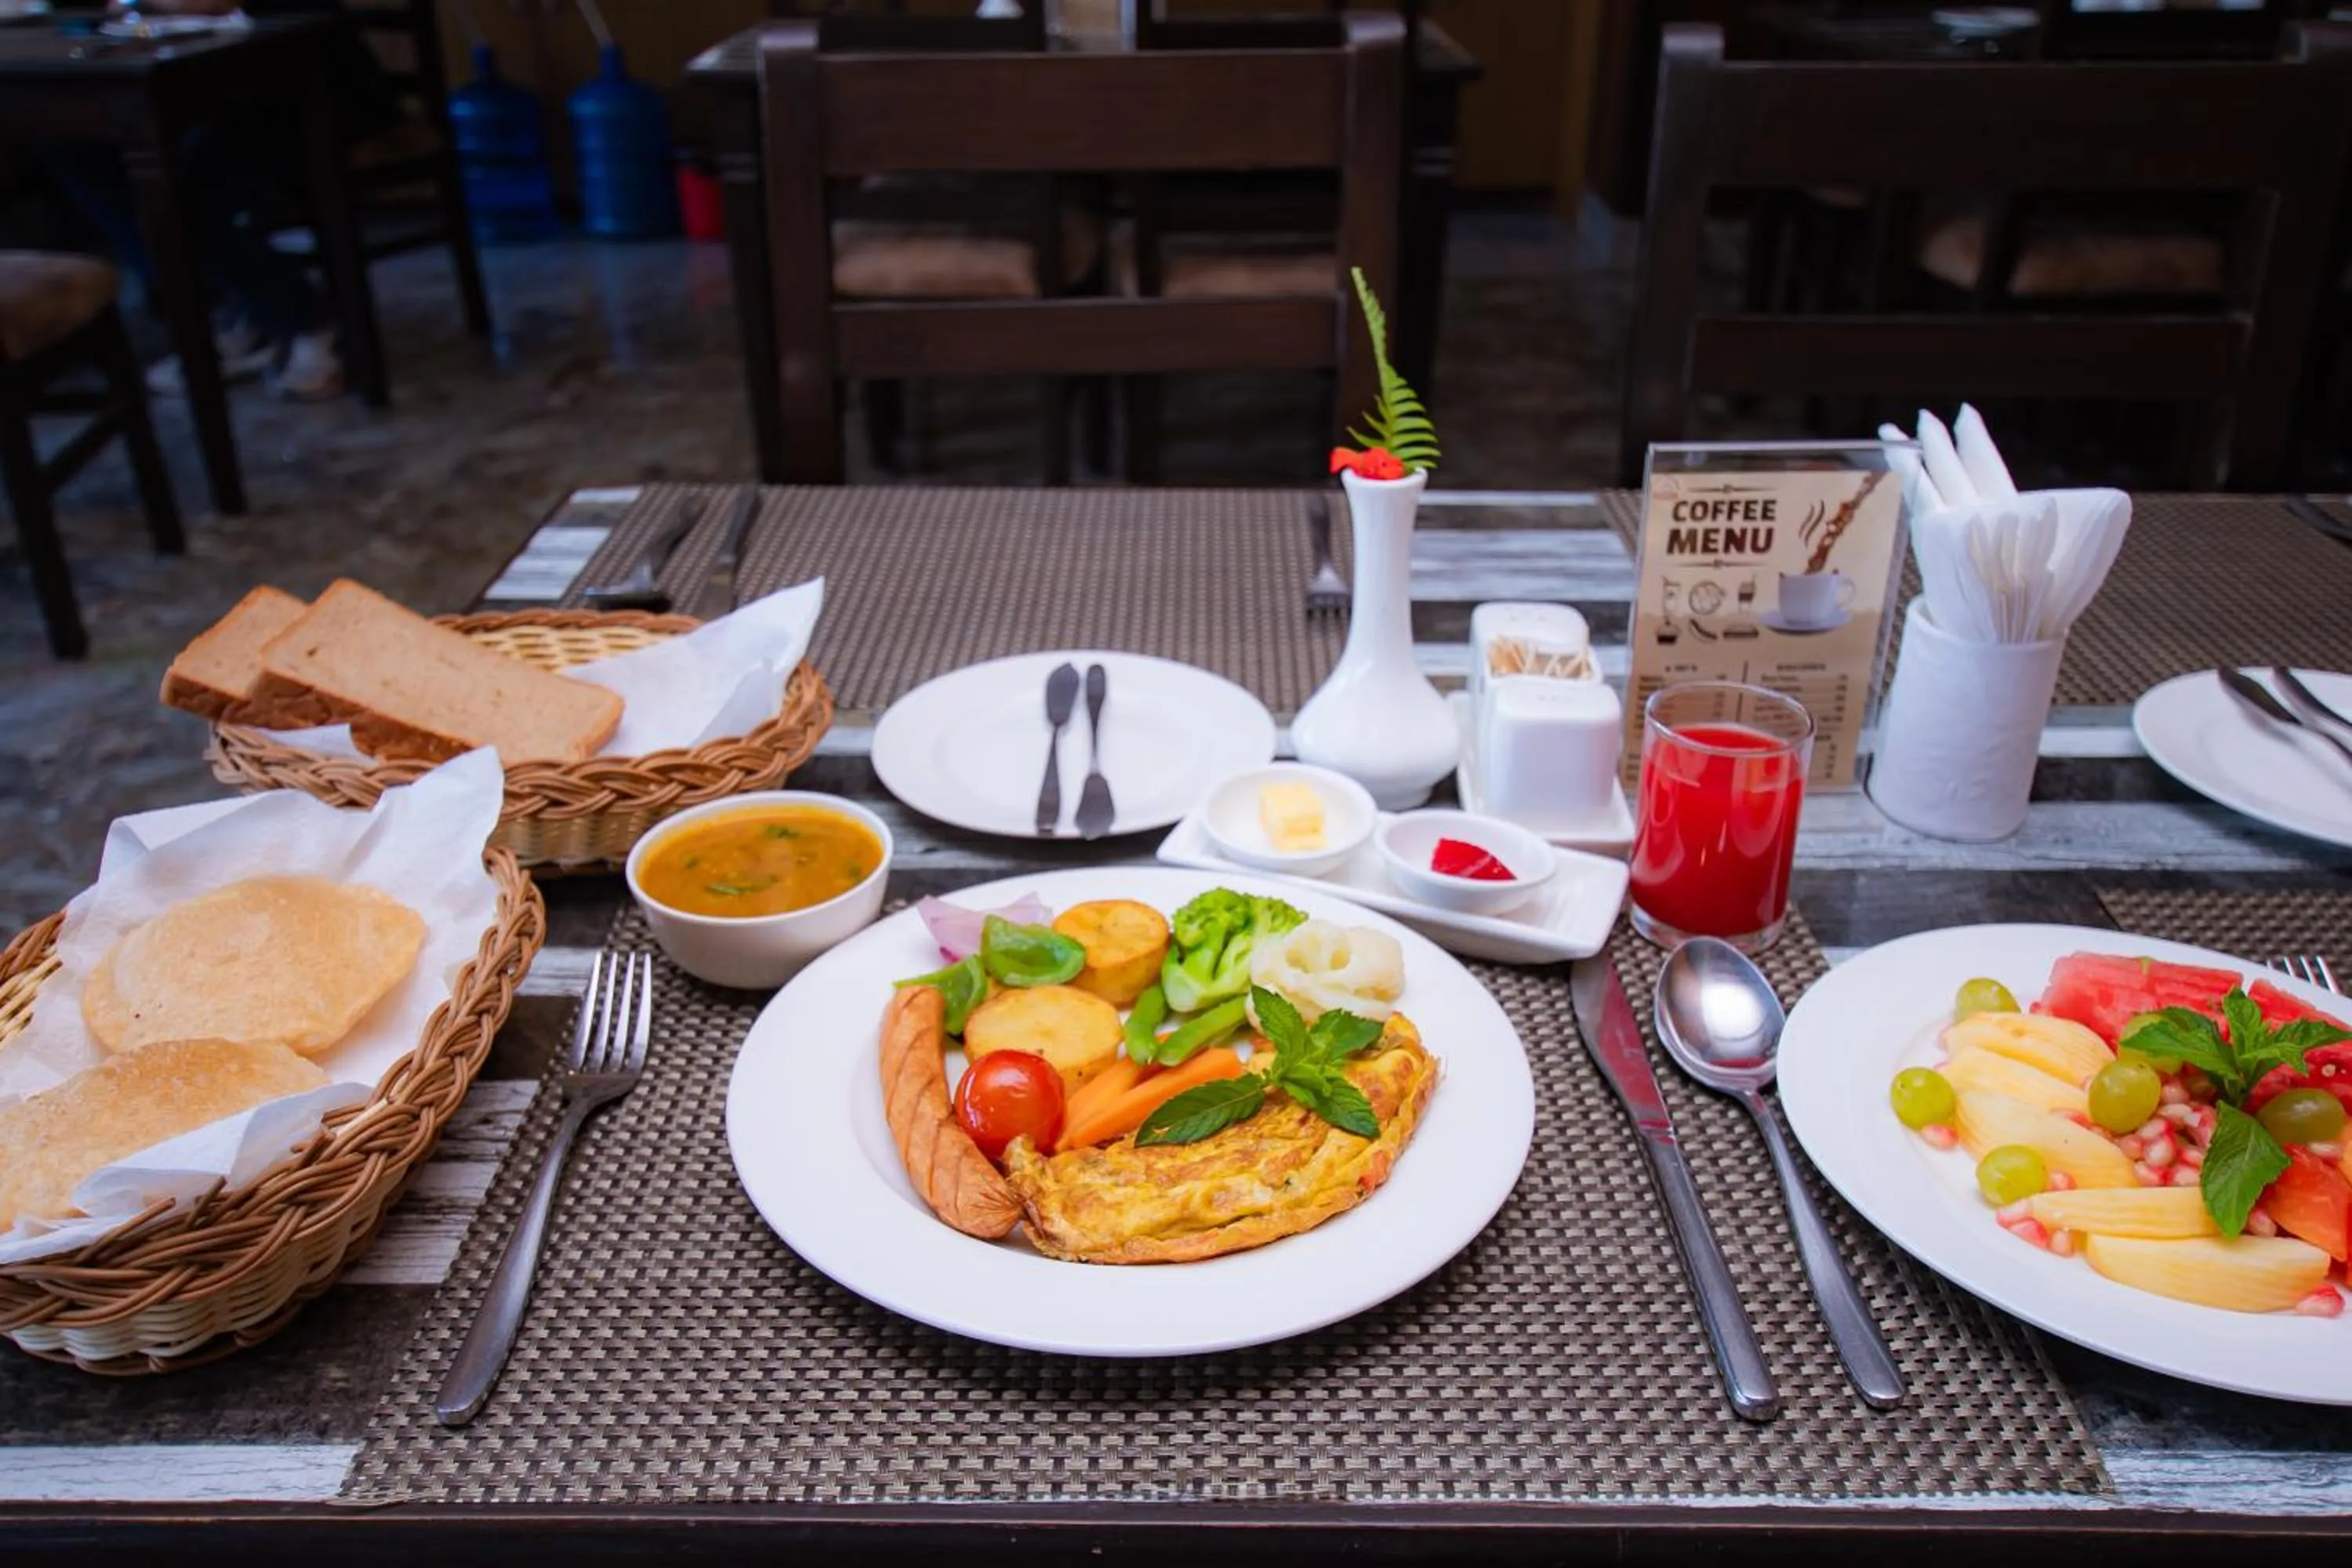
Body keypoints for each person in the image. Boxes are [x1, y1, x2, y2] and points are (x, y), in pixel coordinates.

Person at [42, 0, 397, 401]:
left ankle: (298, 317)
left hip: (308, 82)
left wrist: (133, 4)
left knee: (171, 190)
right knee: (76, 152)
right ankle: (245, 302)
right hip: (217, 83)